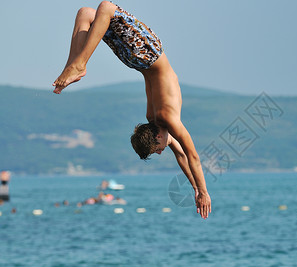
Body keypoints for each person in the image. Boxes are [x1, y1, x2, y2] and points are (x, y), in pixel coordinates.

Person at [53, 2, 211, 218]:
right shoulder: (158, 118)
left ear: (155, 135)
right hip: (139, 57)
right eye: (158, 151)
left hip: (145, 55)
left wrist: (200, 191)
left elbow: (188, 156)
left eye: (156, 150)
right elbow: (186, 156)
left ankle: (77, 64)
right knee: (92, 12)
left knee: (98, 10)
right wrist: (199, 190)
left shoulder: (166, 119)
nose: (161, 151)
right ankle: (75, 64)